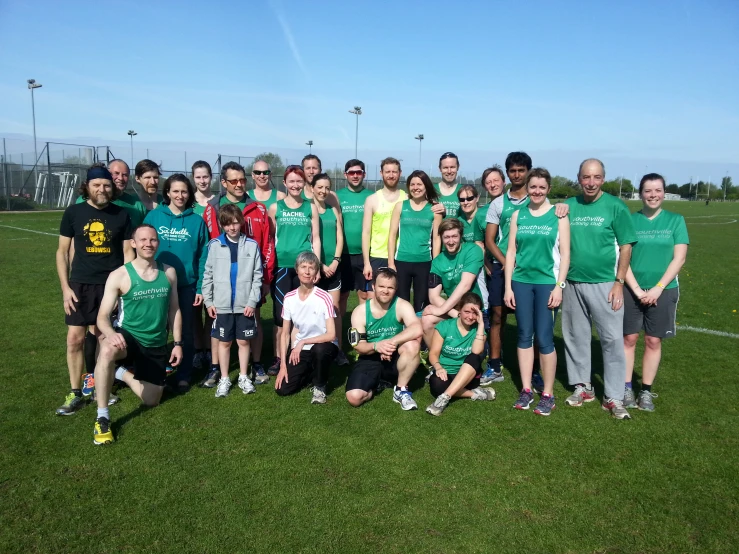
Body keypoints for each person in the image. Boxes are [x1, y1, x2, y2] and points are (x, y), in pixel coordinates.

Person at [90, 224, 182, 445]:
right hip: (128, 337)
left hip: (155, 342)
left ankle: (120, 373)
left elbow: (174, 309)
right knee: (107, 348)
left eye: (152, 240)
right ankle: (102, 416)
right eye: (142, 240)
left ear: (157, 243)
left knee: (152, 400)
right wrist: (111, 334)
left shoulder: (168, 272)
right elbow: (102, 317)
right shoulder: (120, 275)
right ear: (133, 243)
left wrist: (177, 343)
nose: (148, 244)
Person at [483, 153, 568, 388]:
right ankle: (495, 365)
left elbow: (563, 246)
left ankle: (537, 372)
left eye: (521, 170)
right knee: (500, 316)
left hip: (540, 277)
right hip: (509, 272)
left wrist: (561, 205)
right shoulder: (501, 204)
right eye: (513, 171)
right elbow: (494, 241)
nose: (517, 175)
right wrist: (508, 265)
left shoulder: (544, 206)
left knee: (539, 329)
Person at [56, 164, 134, 416]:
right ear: (87, 187)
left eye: (106, 185)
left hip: (110, 285)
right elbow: (62, 252)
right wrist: (65, 288)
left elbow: (127, 252)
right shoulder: (73, 212)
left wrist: (124, 286)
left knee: (104, 339)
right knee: (74, 339)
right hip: (79, 285)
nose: (102, 189)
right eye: (97, 185)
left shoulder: (121, 215)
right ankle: (75, 391)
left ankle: (102, 387)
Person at [563, 158, 637, 420]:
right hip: (572, 283)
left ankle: (614, 396)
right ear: (579, 178)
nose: (591, 182)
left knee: (612, 340)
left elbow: (626, 245)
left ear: (603, 179)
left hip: (606, 284)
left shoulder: (615, 206)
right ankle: (583, 386)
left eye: (596, 177)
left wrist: (619, 283)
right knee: (575, 337)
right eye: (586, 177)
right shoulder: (568, 206)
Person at [74, 159, 145, 394]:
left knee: (111, 327)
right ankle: (91, 377)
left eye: (124, 174)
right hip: (85, 279)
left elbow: (129, 247)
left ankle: (114, 371)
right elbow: (73, 246)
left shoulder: (132, 206)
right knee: (87, 332)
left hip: (117, 277)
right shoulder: (80, 207)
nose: (120, 178)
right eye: (115, 173)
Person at [504, 168, 571, 416]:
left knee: (544, 338)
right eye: (533, 187)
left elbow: (565, 255)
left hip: (546, 284)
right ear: (527, 188)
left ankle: (548, 394)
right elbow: (511, 252)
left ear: (549, 189)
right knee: (523, 336)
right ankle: (525, 389)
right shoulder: (518, 215)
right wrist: (509, 286)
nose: (537, 191)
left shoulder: (558, 216)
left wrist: (559, 286)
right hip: (521, 282)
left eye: (542, 187)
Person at [201, 161, 274, 386]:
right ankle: (215, 368)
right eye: (234, 181)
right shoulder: (212, 208)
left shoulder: (258, 208)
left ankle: (257, 363)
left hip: (250, 278)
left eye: (242, 180)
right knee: (215, 322)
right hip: (221, 281)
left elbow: (267, 245)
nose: (240, 184)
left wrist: (266, 279)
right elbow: (207, 248)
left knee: (254, 319)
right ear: (223, 183)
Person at [623, 173, 688, 412]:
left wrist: (658, 289)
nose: (653, 195)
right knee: (629, 339)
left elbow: (679, 258)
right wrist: (638, 289)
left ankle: (646, 391)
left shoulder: (675, 220)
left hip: (664, 290)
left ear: (664, 192)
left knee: (652, 340)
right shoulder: (630, 221)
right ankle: (626, 387)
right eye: (648, 191)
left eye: (657, 190)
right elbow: (623, 258)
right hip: (632, 290)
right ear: (641, 193)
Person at [143, 173, 208, 392]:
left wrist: (200, 287)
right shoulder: (154, 217)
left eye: (184, 191)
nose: (180, 195)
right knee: (159, 329)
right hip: (157, 284)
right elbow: (143, 247)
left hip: (187, 285)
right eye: (176, 191)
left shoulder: (196, 221)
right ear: (168, 193)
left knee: (187, 330)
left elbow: (203, 256)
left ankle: (184, 374)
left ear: (189, 194)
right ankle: (157, 372)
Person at [202, 204, 263, 398]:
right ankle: (225, 378)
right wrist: (209, 302)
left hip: (244, 304)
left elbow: (257, 276)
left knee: (243, 341)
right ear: (222, 225)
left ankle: (244, 376)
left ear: (241, 222)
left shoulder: (252, 245)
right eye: (228, 224)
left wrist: (252, 302)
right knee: (224, 342)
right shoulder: (214, 245)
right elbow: (208, 275)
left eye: (236, 222)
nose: (233, 227)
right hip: (221, 305)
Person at [269, 165, 321, 376]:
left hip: (304, 266)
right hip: (281, 266)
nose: (296, 185)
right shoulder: (276, 207)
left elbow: (315, 238)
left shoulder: (311, 207)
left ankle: (297, 355)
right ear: (285, 183)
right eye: (292, 181)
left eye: (299, 181)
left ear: (304, 183)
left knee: (303, 313)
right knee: (281, 316)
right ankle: (278, 357)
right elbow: (271, 240)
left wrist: (315, 266)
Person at [345, 267, 422, 410]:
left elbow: (417, 328)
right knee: (354, 398)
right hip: (370, 356)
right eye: (381, 286)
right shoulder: (360, 311)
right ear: (373, 286)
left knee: (413, 346)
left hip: (394, 355)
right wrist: (376, 346)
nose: (385, 291)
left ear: (395, 289)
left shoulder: (402, 305)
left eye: (390, 287)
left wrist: (390, 343)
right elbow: (358, 346)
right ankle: (377, 384)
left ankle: (400, 390)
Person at [275, 252, 338, 404]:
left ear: (316, 272)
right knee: (282, 389)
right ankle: (311, 371)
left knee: (320, 351)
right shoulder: (289, 298)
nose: (307, 271)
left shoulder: (325, 297)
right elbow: (284, 334)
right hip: (301, 349)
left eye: (311, 268)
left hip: (324, 345)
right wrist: (283, 365)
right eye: (303, 267)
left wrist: (302, 342)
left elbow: (331, 335)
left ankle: (319, 387)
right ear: (297, 270)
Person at [426, 293, 496, 416]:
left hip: (469, 376)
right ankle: (475, 394)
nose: (470, 316)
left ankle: (444, 398)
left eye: (475, 313)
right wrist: (438, 367)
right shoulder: (445, 326)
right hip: (446, 373)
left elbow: (477, 351)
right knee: (436, 385)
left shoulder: (479, 331)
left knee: (474, 356)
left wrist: (480, 325)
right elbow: (433, 353)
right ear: (459, 310)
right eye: (467, 311)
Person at [421, 218, 484, 348]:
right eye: (446, 237)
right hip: (454, 309)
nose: (450, 241)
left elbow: (465, 285)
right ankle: (436, 360)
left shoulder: (472, 250)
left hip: (476, 309)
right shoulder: (437, 262)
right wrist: (455, 314)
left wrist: (441, 310)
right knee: (427, 320)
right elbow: (433, 296)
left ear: (460, 236)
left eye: (454, 236)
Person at [387, 169, 442, 312]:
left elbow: (436, 238)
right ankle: (403, 332)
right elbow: (392, 235)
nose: (416, 187)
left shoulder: (434, 209)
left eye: (420, 184)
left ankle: (420, 333)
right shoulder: (400, 206)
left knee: (421, 303)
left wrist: (435, 265)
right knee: (401, 303)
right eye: (412, 184)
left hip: (424, 262)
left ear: (426, 186)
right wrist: (391, 262)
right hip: (402, 262)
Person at [337, 159, 373, 349]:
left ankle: (363, 338)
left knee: (365, 295)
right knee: (341, 297)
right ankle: (339, 339)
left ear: (364, 174)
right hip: (343, 255)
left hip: (365, 255)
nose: (355, 175)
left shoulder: (371, 196)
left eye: (359, 172)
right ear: (346, 175)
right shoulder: (337, 196)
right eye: (351, 172)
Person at [313, 174, 347, 364]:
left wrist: (335, 262)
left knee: (335, 311)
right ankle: (316, 350)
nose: (323, 191)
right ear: (312, 188)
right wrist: (321, 265)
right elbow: (310, 240)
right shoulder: (308, 209)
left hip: (333, 268)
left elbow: (340, 238)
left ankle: (338, 349)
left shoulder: (333, 210)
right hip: (317, 269)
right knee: (316, 312)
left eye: (327, 187)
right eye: (319, 187)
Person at [478, 166, 506, 384]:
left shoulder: (521, 202)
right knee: (496, 314)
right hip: (497, 266)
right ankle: (495, 363)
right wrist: (490, 263)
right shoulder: (489, 208)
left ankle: (532, 369)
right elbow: (483, 241)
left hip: (522, 268)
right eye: (489, 182)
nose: (493, 184)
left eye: (496, 180)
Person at [190, 160, 215, 371]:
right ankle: (199, 350)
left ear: (211, 177)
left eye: (205, 176)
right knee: (195, 309)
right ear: (193, 178)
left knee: (212, 308)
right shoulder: (188, 203)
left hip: (215, 262)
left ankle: (209, 349)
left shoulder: (218, 201)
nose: (202, 180)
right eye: (198, 177)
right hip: (195, 262)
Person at [434, 152, 461, 216]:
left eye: (452, 167)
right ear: (440, 169)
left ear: (458, 167)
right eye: (445, 168)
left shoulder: (464, 191)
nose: (449, 171)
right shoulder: (431, 190)